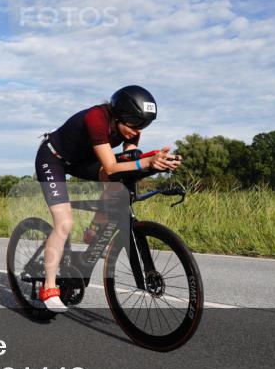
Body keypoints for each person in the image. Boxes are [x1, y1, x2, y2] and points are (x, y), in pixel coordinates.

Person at [34, 85, 181, 312]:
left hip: (83, 161)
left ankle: (94, 231)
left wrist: (155, 160)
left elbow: (128, 160)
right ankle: (49, 287)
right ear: (120, 113)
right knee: (64, 223)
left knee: (119, 183)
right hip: (53, 158)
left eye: (144, 124)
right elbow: (112, 166)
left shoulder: (132, 126)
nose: (138, 130)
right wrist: (146, 162)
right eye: (135, 123)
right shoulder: (97, 118)